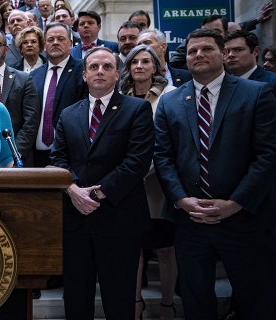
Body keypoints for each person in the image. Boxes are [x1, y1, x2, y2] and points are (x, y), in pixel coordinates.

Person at [154, 28, 276, 320]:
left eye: (207, 49)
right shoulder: (171, 102)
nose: (199, 55)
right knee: (196, 300)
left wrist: (235, 203)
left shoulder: (256, 93)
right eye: (193, 51)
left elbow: (267, 155)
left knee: (253, 299)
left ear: (223, 54)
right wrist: (182, 200)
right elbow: (164, 157)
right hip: (191, 220)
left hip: (244, 219)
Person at [50, 46, 153, 319]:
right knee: (76, 297)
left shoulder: (137, 109)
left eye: (107, 67)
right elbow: (57, 158)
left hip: (119, 216)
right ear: (83, 75)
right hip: (75, 218)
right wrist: (72, 190)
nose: (100, 72)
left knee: (119, 299)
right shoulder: (69, 114)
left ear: (117, 74)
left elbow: (137, 161)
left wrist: (96, 195)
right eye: (94, 67)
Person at [120, 44, 177, 320]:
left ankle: (168, 304)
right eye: (134, 62)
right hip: (129, 181)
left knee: (164, 247)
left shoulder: (170, 95)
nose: (140, 66)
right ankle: (135, 303)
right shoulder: (119, 95)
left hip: (158, 181)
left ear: (155, 66)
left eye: (146, 61)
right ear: (128, 68)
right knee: (134, 247)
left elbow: (170, 139)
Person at [0, 30, 39, 166]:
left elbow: (31, 121)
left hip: (19, 158)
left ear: (6, 49)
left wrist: (13, 155)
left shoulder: (24, 79)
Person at [30, 23, 85, 167]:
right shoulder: (34, 76)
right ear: (44, 45)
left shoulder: (83, 71)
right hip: (37, 155)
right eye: (50, 39)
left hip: (71, 154)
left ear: (70, 44)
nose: (55, 43)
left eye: (60, 39)